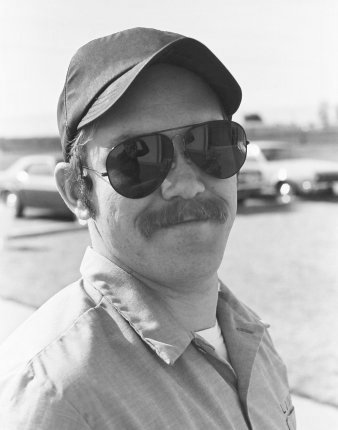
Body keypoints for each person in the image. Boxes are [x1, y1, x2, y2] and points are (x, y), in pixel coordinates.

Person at [0, 28, 296, 429]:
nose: (187, 184)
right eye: (138, 159)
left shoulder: (252, 339)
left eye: (212, 144)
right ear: (76, 190)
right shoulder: (54, 397)